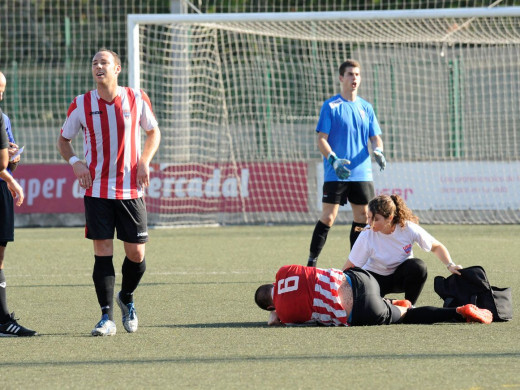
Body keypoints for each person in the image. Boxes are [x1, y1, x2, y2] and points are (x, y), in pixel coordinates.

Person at [57, 48, 161, 336]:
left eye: (104, 62)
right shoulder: (81, 103)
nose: (98, 66)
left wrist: (144, 161)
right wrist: (76, 163)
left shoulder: (137, 98)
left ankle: (126, 296)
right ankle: (106, 318)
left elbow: (153, 132)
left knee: (137, 254)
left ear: (117, 68)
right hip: (97, 190)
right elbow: (64, 140)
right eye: (94, 63)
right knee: (102, 252)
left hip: (130, 190)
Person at [307, 59, 386, 267]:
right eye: (350, 74)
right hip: (336, 173)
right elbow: (321, 139)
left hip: (362, 173)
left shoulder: (366, 107)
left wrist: (378, 150)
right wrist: (333, 160)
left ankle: (356, 265)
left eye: (357, 74)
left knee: (362, 218)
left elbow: (376, 137)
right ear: (341, 78)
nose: (354, 78)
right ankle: (311, 262)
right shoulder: (331, 106)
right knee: (329, 217)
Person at [254, 264, 492, 327]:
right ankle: (391, 302)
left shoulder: (283, 314)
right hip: (362, 278)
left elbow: (281, 319)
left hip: (363, 308)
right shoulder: (284, 271)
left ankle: (459, 312)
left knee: (408, 316)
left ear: (269, 306)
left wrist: (276, 315)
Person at [342, 194, 462, 306]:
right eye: (368, 217)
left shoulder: (408, 228)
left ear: (389, 218)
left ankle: (409, 307)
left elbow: (436, 247)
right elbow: (350, 266)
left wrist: (450, 265)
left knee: (418, 266)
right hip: (375, 279)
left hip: (400, 277)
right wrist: (335, 286)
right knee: (365, 307)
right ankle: (389, 303)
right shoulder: (366, 235)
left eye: (375, 219)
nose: (370, 223)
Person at [0, 71, 37, 336]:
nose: (0, 92)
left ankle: (2, 320)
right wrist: (11, 179)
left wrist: (13, 157)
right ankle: (3, 321)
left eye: (2, 87)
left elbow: (8, 162)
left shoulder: (3, 119)